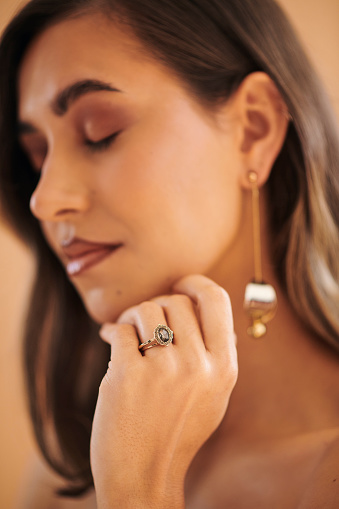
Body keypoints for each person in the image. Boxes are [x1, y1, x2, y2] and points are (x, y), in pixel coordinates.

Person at [0, 0, 338, 507]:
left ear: (254, 129)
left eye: (100, 133)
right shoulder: (76, 474)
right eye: (39, 155)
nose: (44, 200)